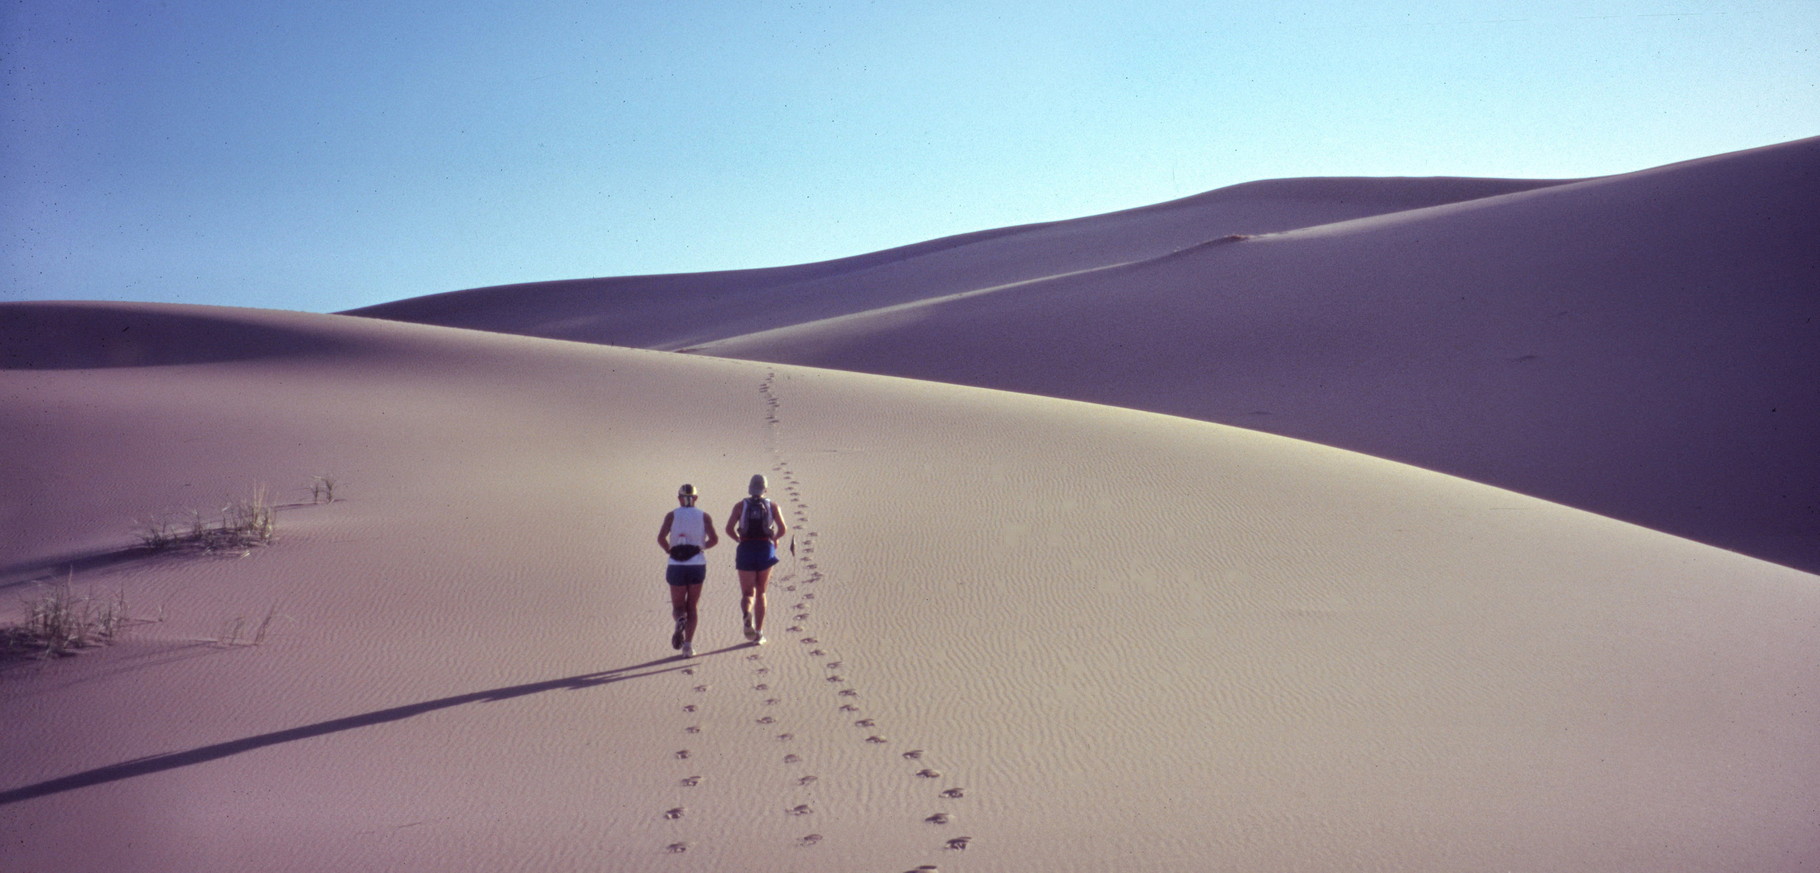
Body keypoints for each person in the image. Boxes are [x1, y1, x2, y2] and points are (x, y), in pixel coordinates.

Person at [726, 473, 788, 645]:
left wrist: (739, 540)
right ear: (765, 489)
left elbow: (729, 529)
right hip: (765, 549)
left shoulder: (740, 505)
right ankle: (759, 634)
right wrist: (774, 538)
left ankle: (747, 614)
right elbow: (783, 529)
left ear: (749, 488)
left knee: (747, 593)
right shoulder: (773, 506)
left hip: (746, 549)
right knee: (761, 592)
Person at [658, 483, 718, 657]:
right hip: (697, 564)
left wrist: (670, 550)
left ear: (679, 498)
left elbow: (661, 538)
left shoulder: (672, 515)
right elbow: (714, 539)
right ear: (695, 498)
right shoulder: (704, 516)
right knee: (692, 606)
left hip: (676, 565)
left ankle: (679, 619)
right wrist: (699, 547)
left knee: (678, 606)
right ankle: (688, 646)